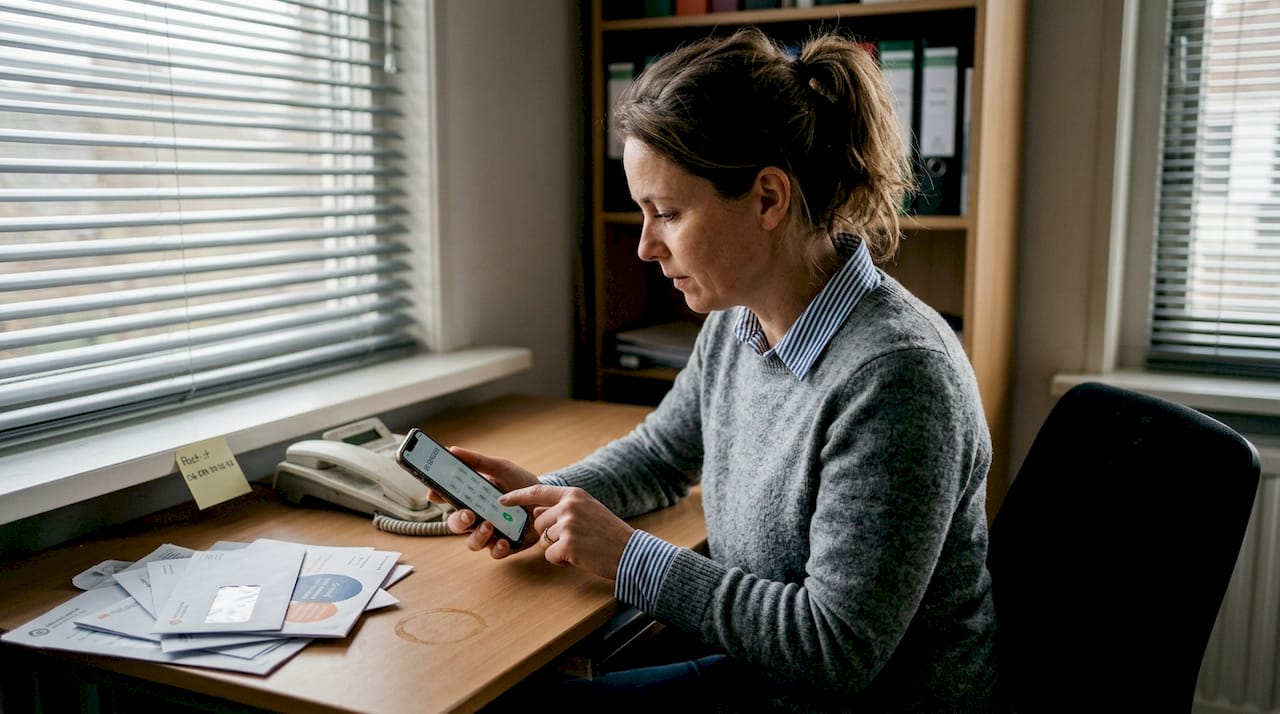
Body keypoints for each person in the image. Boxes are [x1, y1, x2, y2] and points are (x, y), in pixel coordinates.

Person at [433, 27, 1003, 713]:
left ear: (767, 198)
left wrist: (628, 557)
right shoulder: (740, 319)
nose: (645, 246)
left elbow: (835, 649)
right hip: (763, 666)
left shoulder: (899, 378)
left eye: (667, 213)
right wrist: (542, 499)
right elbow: (660, 455)